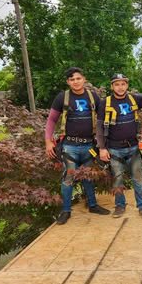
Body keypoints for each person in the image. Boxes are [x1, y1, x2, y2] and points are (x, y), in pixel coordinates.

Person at [45, 67, 110, 225]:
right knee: (69, 178)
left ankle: (93, 205)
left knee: (88, 177)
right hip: (70, 147)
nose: (75, 82)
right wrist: (48, 141)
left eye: (78, 78)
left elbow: (102, 116)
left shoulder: (92, 96)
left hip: (89, 145)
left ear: (84, 79)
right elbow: (52, 120)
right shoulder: (63, 97)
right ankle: (66, 210)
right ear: (68, 82)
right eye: (72, 79)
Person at [97, 73, 142, 220]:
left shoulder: (133, 99)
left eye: (123, 84)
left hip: (133, 148)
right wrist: (102, 148)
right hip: (114, 148)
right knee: (117, 179)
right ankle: (120, 206)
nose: (120, 87)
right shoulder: (105, 103)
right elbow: (98, 126)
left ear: (127, 85)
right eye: (117, 84)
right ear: (112, 86)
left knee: (138, 178)